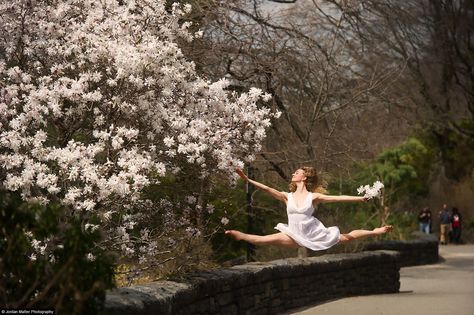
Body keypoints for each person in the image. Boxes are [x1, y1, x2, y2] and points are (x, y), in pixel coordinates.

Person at [225, 167, 392, 250]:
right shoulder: (286, 196)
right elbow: (266, 189)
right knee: (264, 239)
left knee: (346, 238)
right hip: (293, 234)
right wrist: (247, 179)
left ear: (304, 177)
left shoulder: (313, 197)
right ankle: (241, 236)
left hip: (313, 233)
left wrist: (361, 198)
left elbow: (337, 198)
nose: (293, 174)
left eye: (296, 172)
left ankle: (375, 231)